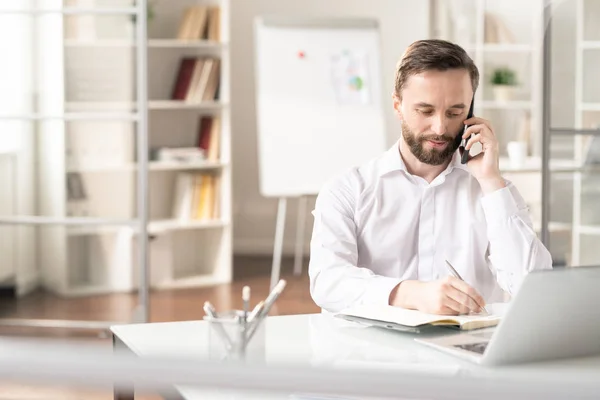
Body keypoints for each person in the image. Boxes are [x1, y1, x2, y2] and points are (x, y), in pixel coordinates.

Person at [308, 39, 553, 316]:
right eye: (425, 111)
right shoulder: (348, 190)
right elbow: (327, 281)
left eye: (455, 112)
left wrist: (490, 182)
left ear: (470, 111)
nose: (440, 128)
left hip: (466, 351)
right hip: (375, 353)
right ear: (398, 105)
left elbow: (533, 286)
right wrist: (408, 293)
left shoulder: (491, 191)